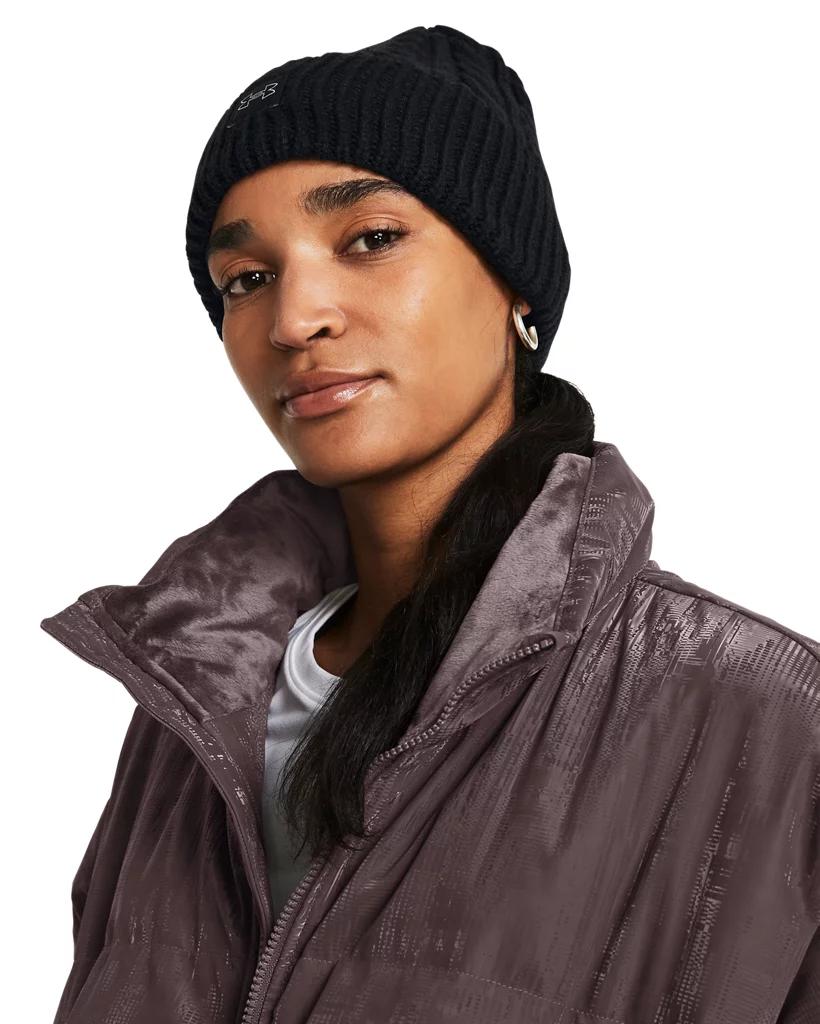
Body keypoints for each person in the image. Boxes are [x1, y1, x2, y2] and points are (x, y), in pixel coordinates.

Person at [41, 23, 819, 1024]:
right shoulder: (190, 707)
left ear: (516, 286)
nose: (295, 320)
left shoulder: (766, 720)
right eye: (246, 280)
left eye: (370, 239)